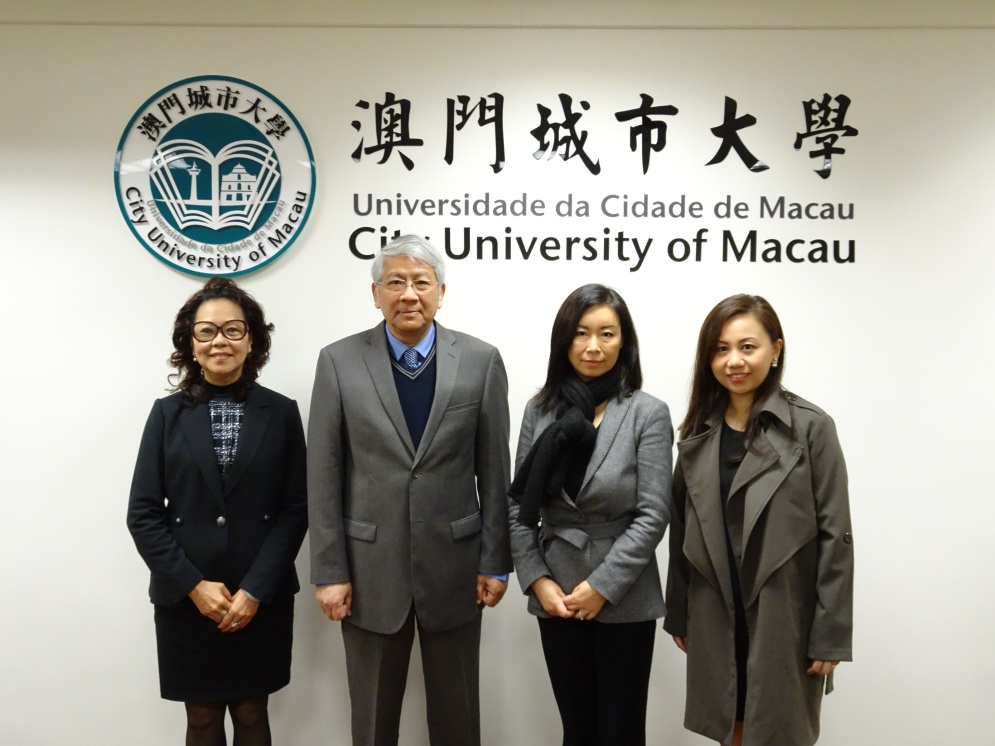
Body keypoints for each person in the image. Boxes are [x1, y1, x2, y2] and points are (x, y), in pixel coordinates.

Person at [307, 234, 512, 746]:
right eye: (395, 282)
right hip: (368, 570)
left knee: (458, 717)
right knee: (373, 721)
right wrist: (329, 571)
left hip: (458, 569)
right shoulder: (338, 362)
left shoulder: (481, 361)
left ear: (442, 291)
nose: (409, 294)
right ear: (375, 293)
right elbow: (324, 474)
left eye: (421, 282)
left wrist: (495, 560)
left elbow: (494, 470)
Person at [664, 294, 854, 746]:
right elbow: (681, 527)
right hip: (716, 609)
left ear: (776, 350)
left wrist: (830, 635)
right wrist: (681, 612)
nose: (734, 361)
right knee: (731, 725)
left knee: (779, 728)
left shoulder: (810, 428)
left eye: (748, 347)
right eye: (721, 348)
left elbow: (836, 535)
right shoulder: (697, 432)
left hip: (782, 613)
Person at [127, 277, 308, 746]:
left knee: (252, 713)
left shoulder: (282, 412)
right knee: (202, 717)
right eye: (206, 331)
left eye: (232, 329)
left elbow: (296, 509)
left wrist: (254, 590)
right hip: (188, 599)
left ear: (252, 339)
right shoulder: (166, 415)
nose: (219, 341)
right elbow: (143, 513)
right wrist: (193, 586)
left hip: (260, 596)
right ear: (191, 343)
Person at [508, 283, 673, 746]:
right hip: (556, 591)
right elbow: (518, 507)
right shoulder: (539, 410)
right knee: (576, 729)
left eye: (607, 333)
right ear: (565, 341)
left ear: (625, 342)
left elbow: (653, 514)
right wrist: (537, 580)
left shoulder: (647, 413)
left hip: (624, 594)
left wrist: (602, 586)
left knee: (621, 730)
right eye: (581, 334)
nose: (594, 346)